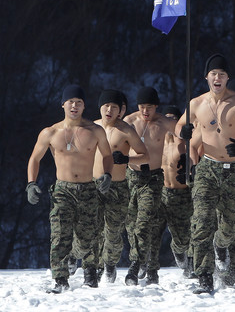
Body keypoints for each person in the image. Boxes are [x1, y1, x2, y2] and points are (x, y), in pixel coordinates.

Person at [175, 54, 235, 294]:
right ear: (207, 77)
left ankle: (221, 245)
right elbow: (179, 128)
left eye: (222, 74)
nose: (218, 78)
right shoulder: (196, 103)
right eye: (213, 74)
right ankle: (204, 275)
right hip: (207, 167)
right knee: (202, 221)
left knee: (229, 225)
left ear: (228, 78)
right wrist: (183, 131)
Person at [26, 85, 113, 293]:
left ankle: (89, 271)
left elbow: (108, 155)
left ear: (84, 106)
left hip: (88, 188)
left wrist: (107, 175)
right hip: (62, 191)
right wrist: (31, 183)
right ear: (63, 104)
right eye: (71, 102)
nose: (74, 106)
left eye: (79, 102)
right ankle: (60, 279)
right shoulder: (50, 132)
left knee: (88, 236)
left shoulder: (95, 130)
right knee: (59, 234)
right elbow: (34, 158)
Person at [90, 90, 149, 283]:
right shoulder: (91, 127)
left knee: (113, 232)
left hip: (117, 186)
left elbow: (145, 155)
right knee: (93, 229)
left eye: (114, 107)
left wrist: (126, 158)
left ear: (120, 111)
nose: (109, 110)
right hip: (94, 185)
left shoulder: (126, 130)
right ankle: (95, 267)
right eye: (106, 106)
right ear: (100, 107)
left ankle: (109, 263)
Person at [124, 87, 177, 285]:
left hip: (153, 178)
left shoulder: (164, 123)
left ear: (156, 106)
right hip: (131, 177)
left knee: (145, 222)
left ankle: (136, 264)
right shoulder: (129, 122)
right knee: (131, 225)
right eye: (142, 107)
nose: (145, 111)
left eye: (150, 107)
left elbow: (186, 130)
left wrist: (188, 130)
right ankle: (151, 265)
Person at [151, 105, 195, 279]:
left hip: (181, 194)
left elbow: (193, 160)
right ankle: (151, 270)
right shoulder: (156, 140)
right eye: (166, 119)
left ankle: (180, 253)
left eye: (173, 119)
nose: (169, 123)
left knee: (183, 238)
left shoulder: (186, 142)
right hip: (160, 192)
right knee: (153, 233)